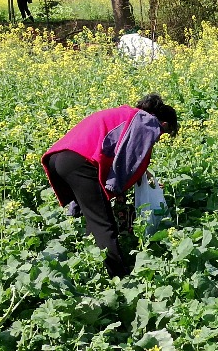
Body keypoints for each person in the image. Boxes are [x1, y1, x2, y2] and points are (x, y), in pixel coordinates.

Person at [42, 94, 179, 278]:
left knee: (95, 220)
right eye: (161, 134)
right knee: (105, 225)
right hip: (78, 162)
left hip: (59, 158)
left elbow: (117, 152)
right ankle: (119, 278)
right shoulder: (146, 121)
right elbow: (130, 161)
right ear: (163, 125)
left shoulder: (126, 114)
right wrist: (124, 185)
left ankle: (91, 269)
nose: (156, 138)